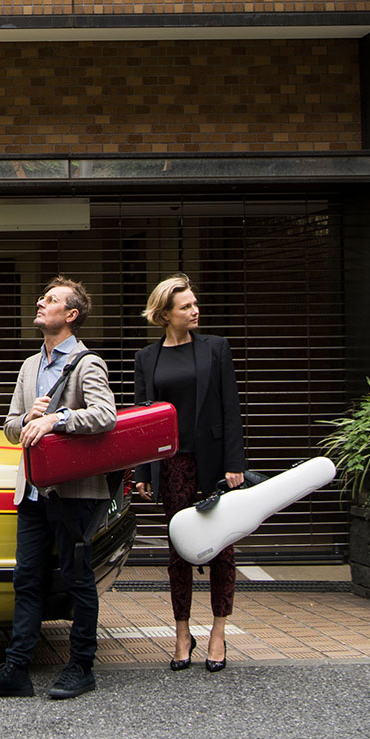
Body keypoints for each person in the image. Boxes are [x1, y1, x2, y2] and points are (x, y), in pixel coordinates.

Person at [0, 277, 117, 700]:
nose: (40, 302)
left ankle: (80, 668)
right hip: (33, 491)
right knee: (27, 580)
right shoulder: (30, 365)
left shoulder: (88, 363)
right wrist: (28, 418)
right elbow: (11, 427)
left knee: (77, 580)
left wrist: (56, 419)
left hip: (75, 495)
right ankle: (16, 669)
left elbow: (106, 416)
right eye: (43, 297)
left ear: (71, 315)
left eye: (50, 300)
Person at [132, 274, 245, 672]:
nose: (195, 310)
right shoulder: (148, 358)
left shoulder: (216, 349)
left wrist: (235, 464)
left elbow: (231, 409)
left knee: (222, 549)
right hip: (173, 465)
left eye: (195, 304)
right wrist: (144, 470)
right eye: (186, 306)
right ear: (164, 314)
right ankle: (182, 634)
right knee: (179, 549)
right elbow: (144, 420)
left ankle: (218, 632)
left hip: (213, 463)